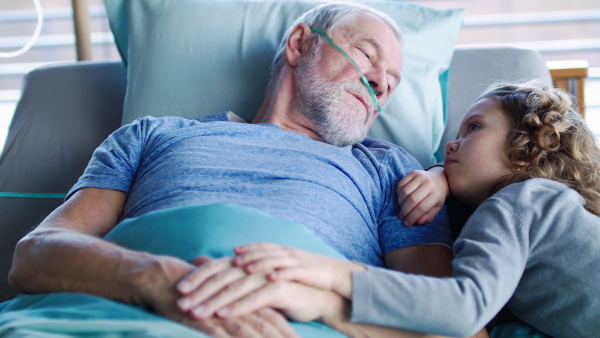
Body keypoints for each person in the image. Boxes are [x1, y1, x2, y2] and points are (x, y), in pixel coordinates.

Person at [7, 3, 453, 337]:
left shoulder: (394, 172)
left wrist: (314, 301)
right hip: (118, 313)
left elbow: (444, 317)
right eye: (366, 55)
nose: (381, 84)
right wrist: (165, 284)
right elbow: (35, 256)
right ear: (300, 44)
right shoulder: (151, 136)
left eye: (392, 83)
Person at [186, 81, 600, 337]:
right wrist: (439, 173)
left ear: (527, 148)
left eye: (474, 128)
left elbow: (460, 308)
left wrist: (329, 278)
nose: (450, 145)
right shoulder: (519, 213)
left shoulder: (522, 200)